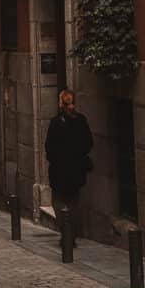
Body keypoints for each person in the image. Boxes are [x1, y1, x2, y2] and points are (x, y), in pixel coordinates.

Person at [44, 89, 93, 247]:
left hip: (59, 171)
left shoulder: (56, 123)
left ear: (60, 103)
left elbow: (49, 147)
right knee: (74, 202)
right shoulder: (81, 121)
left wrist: (55, 159)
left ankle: (66, 234)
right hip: (76, 170)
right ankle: (71, 234)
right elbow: (88, 143)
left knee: (59, 201)